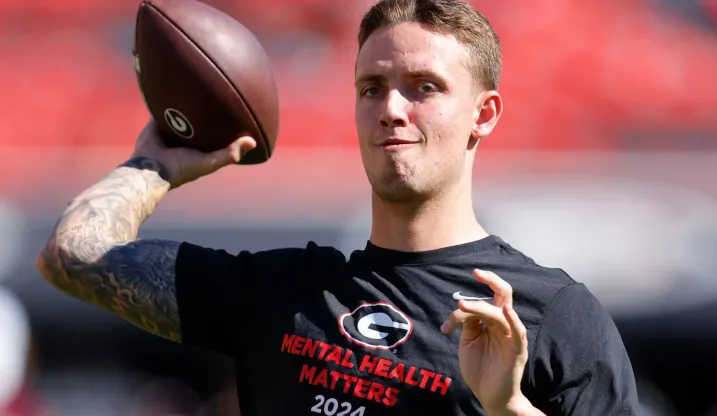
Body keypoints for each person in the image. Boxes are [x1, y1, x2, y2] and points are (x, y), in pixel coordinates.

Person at [36, 0, 641, 414]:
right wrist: (154, 164)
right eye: (371, 88)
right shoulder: (280, 291)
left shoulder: (553, 316)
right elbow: (73, 257)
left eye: (424, 87)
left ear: (483, 113)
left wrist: (506, 406)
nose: (392, 109)